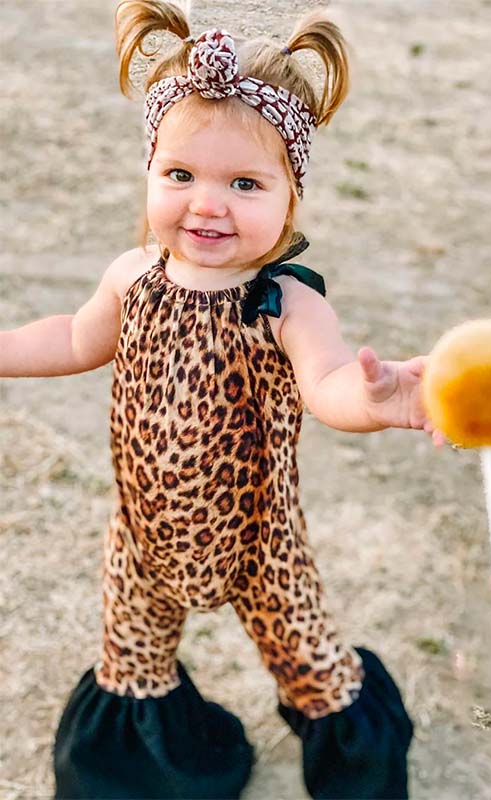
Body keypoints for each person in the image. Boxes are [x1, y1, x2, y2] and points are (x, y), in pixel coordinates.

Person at [0, 1, 445, 797]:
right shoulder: (132, 277)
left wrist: (384, 403)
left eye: (244, 182)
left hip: (259, 544)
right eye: (181, 175)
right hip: (141, 536)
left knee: (315, 668)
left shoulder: (286, 302)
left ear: (289, 196)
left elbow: (330, 386)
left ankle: (356, 774)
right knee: (130, 661)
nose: (207, 203)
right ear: (150, 172)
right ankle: (149, 776)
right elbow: (73, 339)